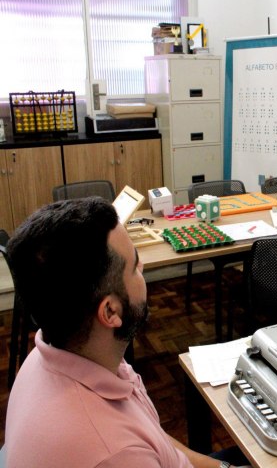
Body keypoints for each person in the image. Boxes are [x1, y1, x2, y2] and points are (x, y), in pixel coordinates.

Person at [5, 198, 248, 468]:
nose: (142, 269)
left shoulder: (63, 352)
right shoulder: (116, 453)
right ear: (110, 312)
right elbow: (132, 447)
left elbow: (152, 437)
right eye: (134, 266)